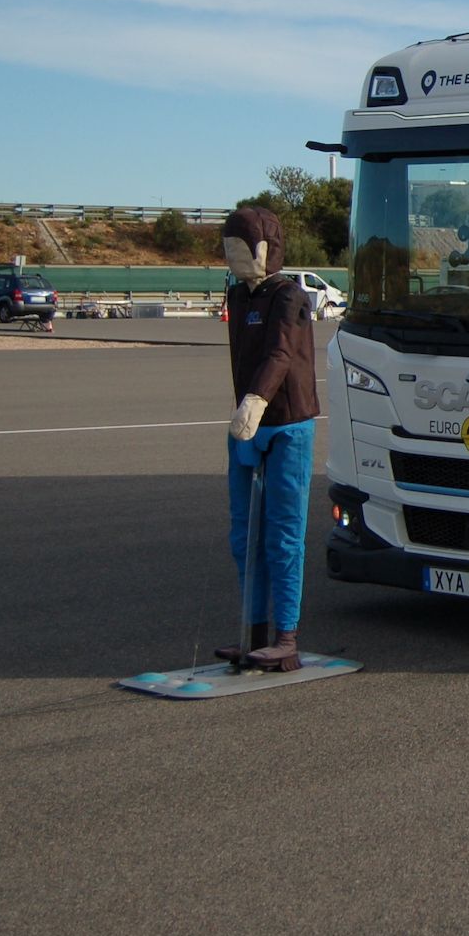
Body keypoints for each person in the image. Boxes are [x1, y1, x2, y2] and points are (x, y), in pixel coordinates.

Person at [215, 206, 319, 671]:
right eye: (229, 248)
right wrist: (244, 408)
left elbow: (281, 352)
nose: (234, 257)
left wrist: (255, 401)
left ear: (266, 249)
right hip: (247, 425)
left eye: (243, 248)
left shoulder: (289, 296)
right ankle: (251, 633)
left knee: (283, 535)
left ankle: (286, 637)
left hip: (286, 422)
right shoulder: (238, 297)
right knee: (245, 536)